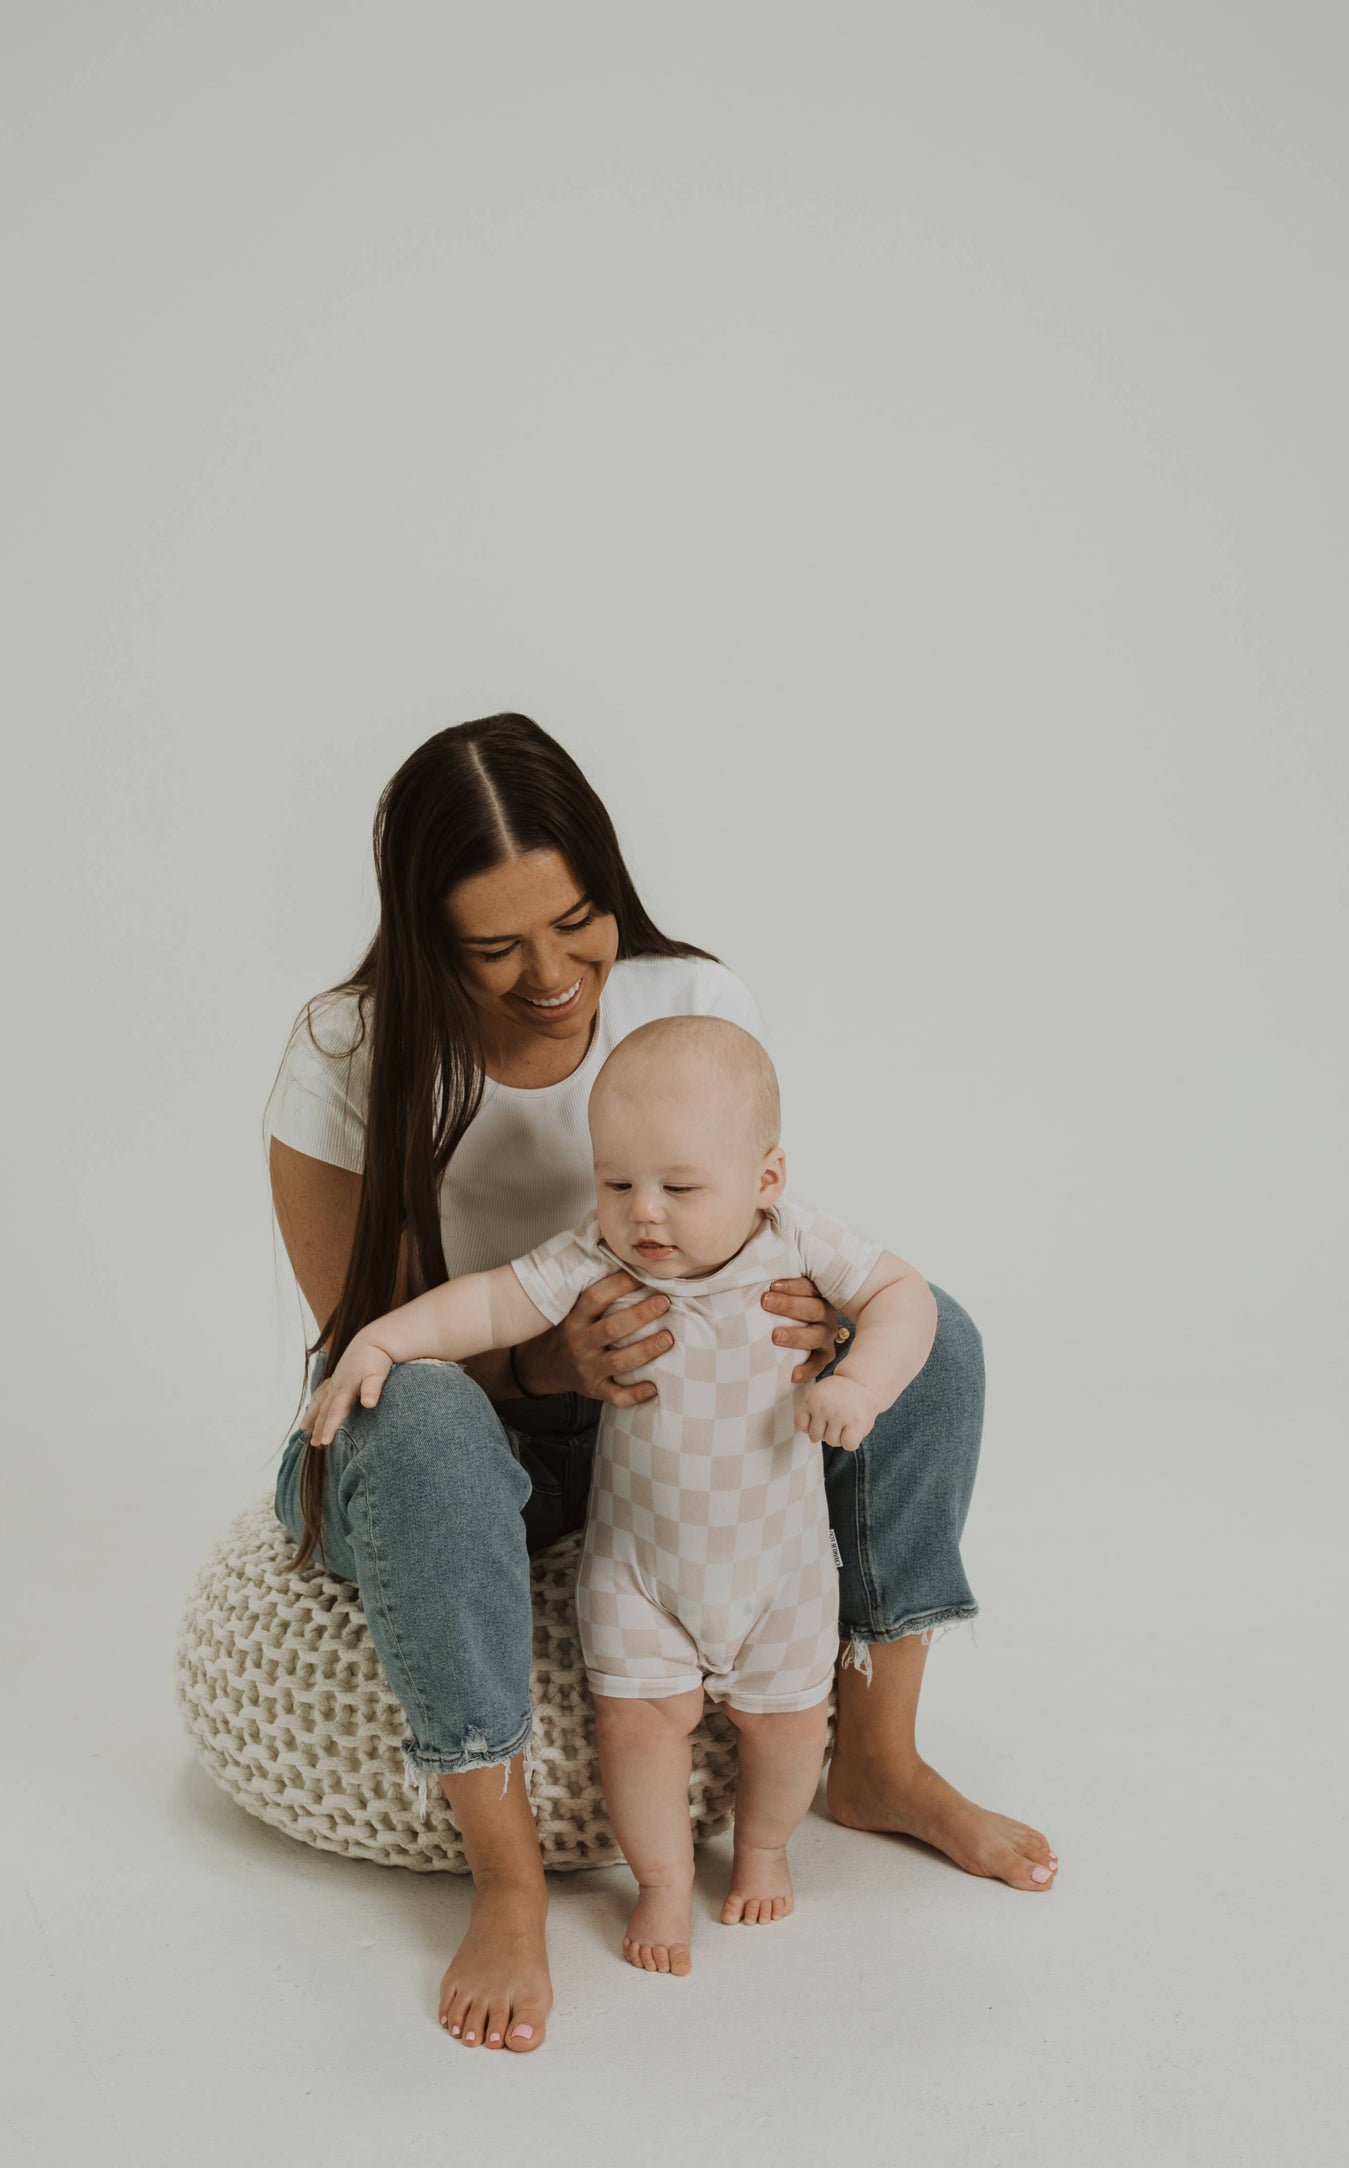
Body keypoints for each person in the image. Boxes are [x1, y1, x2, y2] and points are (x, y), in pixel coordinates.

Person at [266, 711, 1058, 2055]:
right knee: (418, 1407)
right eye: (492, 948)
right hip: (467, 1446)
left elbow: (752, 1216)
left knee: (939, 1340)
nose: (550, 975)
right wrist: (541, 1358)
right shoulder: (350, 1056)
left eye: (575, 921)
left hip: (683, 1440)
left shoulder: (685, 996)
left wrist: (814, 1330)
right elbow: (371, 1332)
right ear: (422, 938)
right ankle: (508, 1878)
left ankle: (874, 1761)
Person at [299, 1014, 942, 1979]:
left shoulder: (797, 1241)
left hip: (783, 1574)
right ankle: (659, 1879)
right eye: (616, 1183)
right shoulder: (597, 1257)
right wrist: (384, 1339)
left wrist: (858, 1384)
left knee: (787, 1726)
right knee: (636, 1729)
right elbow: (485, 1303)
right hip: (639, 1574)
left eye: (680, 1189)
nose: (644, 1213)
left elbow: (905, 1297)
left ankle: (763, 1849)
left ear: (764, 1180)